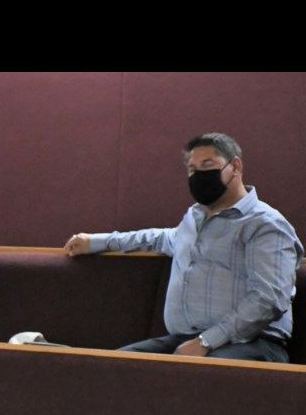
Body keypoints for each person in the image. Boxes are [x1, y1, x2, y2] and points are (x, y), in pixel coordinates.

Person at [65, 132, 303, 362]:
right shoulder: (195, 217)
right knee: (112, 367)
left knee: (193, 378)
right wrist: (96, 242)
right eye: (192, 169)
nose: (199, 174)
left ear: (235, 167)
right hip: (186, 340)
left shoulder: (265, 225)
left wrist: (205, 342)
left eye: (208, 165)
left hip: (252, 344)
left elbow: (268, 299)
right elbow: (158, 238)